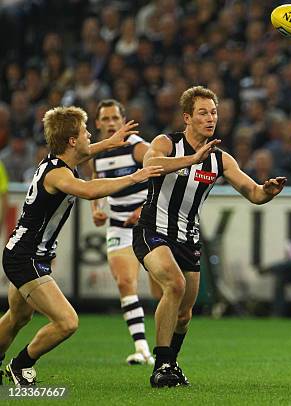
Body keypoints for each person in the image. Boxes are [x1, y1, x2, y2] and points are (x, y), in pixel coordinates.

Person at [133, 86, 286, 388]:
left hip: (188, 238)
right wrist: (191, 160)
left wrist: (267, 192)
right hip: (153, 231)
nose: (210, 117)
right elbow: (150, 165)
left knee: (186, 314)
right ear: (187, 117)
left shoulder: (220, 160)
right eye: (203, 112)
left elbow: (253, 192)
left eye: (214, 112)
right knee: (173, 286)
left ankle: (171, 363)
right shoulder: (167, 143)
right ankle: (161, 364)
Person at [0, 106, 162, 386]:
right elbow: (89, 191)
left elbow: (86, 152)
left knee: (17, 317)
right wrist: (134, 177)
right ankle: (21, 364)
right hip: (26, 258)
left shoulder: (59, 161)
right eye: (86, 131)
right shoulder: (58, 175)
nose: (90, 135)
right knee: (67, 322)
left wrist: (110, 143)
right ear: (72, 140)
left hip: (24, 253)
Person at [90, 99, 161, 366]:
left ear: (123, 121)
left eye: (114, 119)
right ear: (97, 124)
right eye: (105, 119)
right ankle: (142, 349)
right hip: (118, 226)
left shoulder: (138, 147)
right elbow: (95, 185)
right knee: (124, 283)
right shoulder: (96, 153)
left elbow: (163, 176)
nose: (110, 124)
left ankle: (165, 346)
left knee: (161, 290)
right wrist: (96, 210)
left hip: (148, 226)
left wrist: (145, 208)